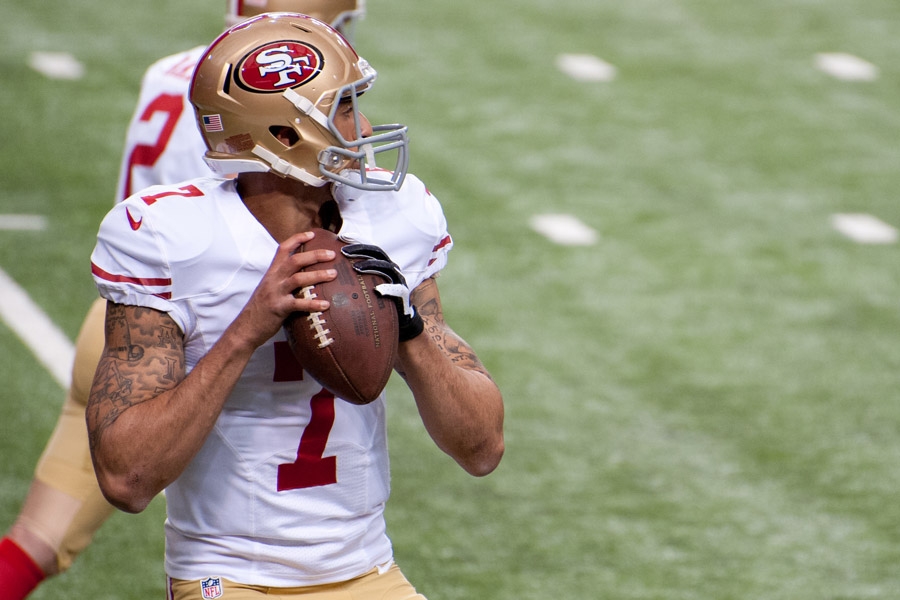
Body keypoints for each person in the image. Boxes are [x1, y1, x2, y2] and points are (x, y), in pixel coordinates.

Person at [87, 12, 504, 600]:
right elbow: (126, 479)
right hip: (230, 572)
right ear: (284, 135)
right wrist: (245, 331)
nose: (365, 126)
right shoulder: (172, 236)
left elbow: (482, 448)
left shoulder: (395, 215)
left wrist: (409, 333)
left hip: (369, 567)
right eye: (344, 108)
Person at [0, 4, 366, 600]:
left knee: (38, 541)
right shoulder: (274, 103)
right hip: (200, 317)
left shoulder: (179, 72)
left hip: (121, 310)